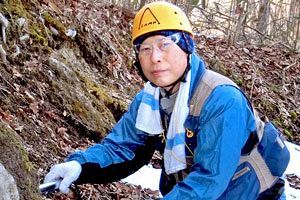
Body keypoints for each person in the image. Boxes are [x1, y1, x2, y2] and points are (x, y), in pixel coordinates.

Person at [44, 1, 290, 199]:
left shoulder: (222, 99)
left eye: (165, 44)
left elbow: (209, 180)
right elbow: (122, 147)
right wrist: (78, 166)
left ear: (187, 47)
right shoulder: (148, 101)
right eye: (145, 49)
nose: (155, 58)